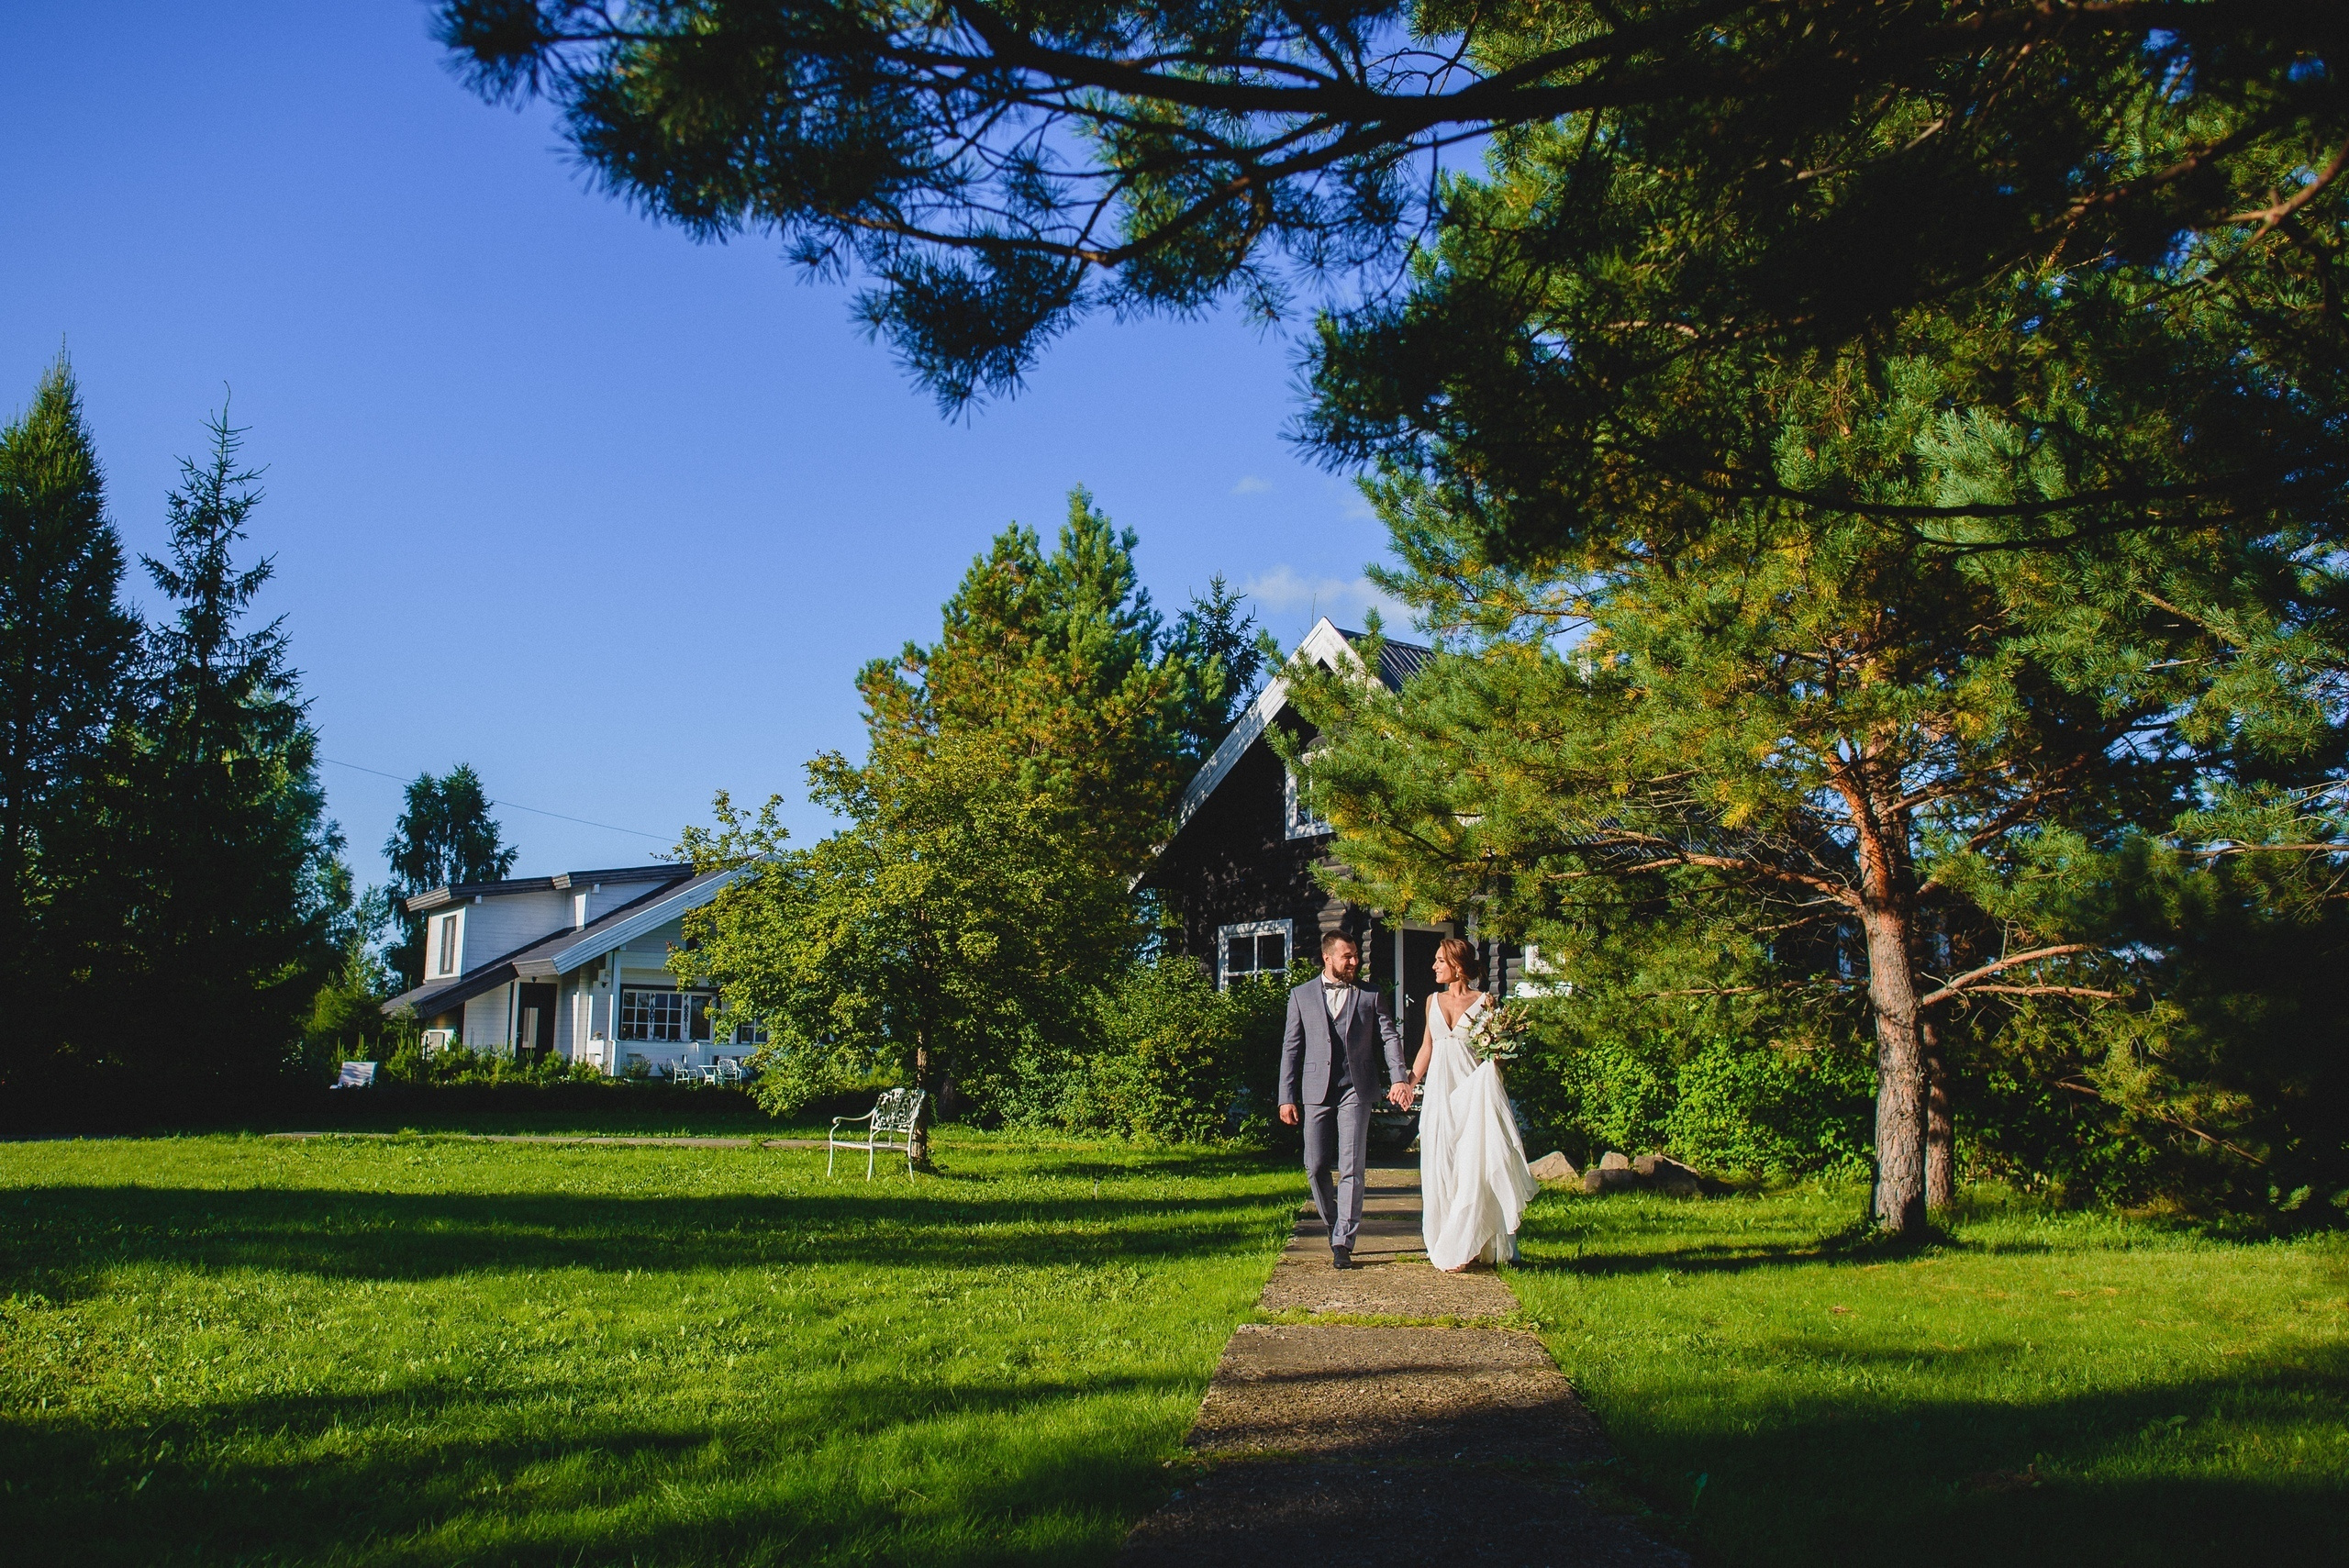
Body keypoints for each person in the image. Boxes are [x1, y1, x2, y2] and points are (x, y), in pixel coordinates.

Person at [1402, 936, 1539, 1272]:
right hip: (1439, 1095)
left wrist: (1502, 1051)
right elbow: (1427, 1047)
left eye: (1440, 961)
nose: (1434, 966)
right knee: (1441, 1164)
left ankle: (1472, 1243)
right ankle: (1447, 1238)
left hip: (1472, 1092)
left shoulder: (1485, 1002)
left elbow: (1495, 1052)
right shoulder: (1432, 1001)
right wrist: (1409, 1082)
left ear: (1458, 966)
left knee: (1472, 1166)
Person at [1278, 929, 1412, 1270]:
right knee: (1315, 1165)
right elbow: (1291, 1049)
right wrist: (1286, 1097)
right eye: (1347, 956)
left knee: (1352, 1165)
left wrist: (1399, 1077)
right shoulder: (1301, 995)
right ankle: (1332, 1223)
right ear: (1328, 958)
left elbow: (1389, 1038)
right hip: (1316, 1089)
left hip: (1356, 1087)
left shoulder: (1370, 994)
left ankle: (1343, 1241)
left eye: (1355, 955)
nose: (1354, 961)